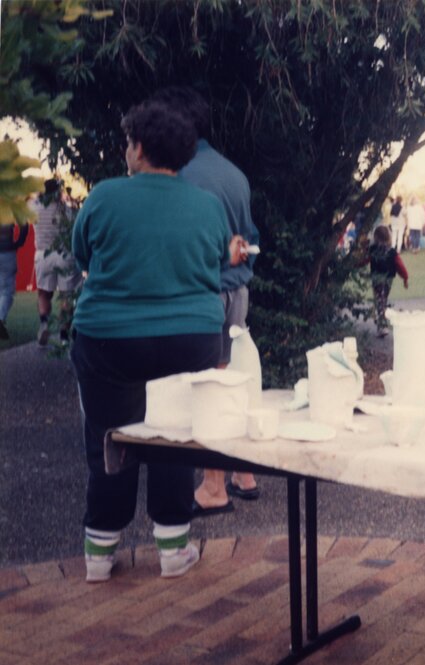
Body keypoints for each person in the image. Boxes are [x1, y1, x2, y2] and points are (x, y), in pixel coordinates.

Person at [71, 100, 233, 582]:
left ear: (139, 148)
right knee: (174, 437)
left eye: (127, 142)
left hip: (109, 339)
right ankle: (172, 550)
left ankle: (99, 555)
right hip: (191, 337)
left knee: (108, 435)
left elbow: (83, 252)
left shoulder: (103, 197)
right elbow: (218, 263)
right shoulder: (207, 205)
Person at [152, 86, 261, 515]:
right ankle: (242, 473)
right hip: (238, 291)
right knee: (228, 379)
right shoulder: (234, 174)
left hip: (200, 294)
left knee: (205, 391)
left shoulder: (180, 176)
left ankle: (213, 486)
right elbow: (250, 240)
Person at [32, 178, 84, 346]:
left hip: (42, 255)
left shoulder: (34, 208)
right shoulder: (68, 211)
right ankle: (63, 336)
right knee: (67, 296)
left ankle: (44, 323)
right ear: (59, 192)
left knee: (43, 293)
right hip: (65, 255)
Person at [368, 225, 408, 337]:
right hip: (388, 280)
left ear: (375, 237)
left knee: (380, 300)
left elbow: (363, 260)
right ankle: (382, 324)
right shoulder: (392, 252)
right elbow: (400, 266)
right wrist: (405, 278)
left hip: (377, 279)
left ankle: (382, 325)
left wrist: (353, 264)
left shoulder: (372, 250)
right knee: (382, 300)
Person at [0, 219, 28, 341]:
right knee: (7, 291)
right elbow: (24, 224)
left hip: (7, 251)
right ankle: (0, 319)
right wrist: (19, 242)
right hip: (7, 251)